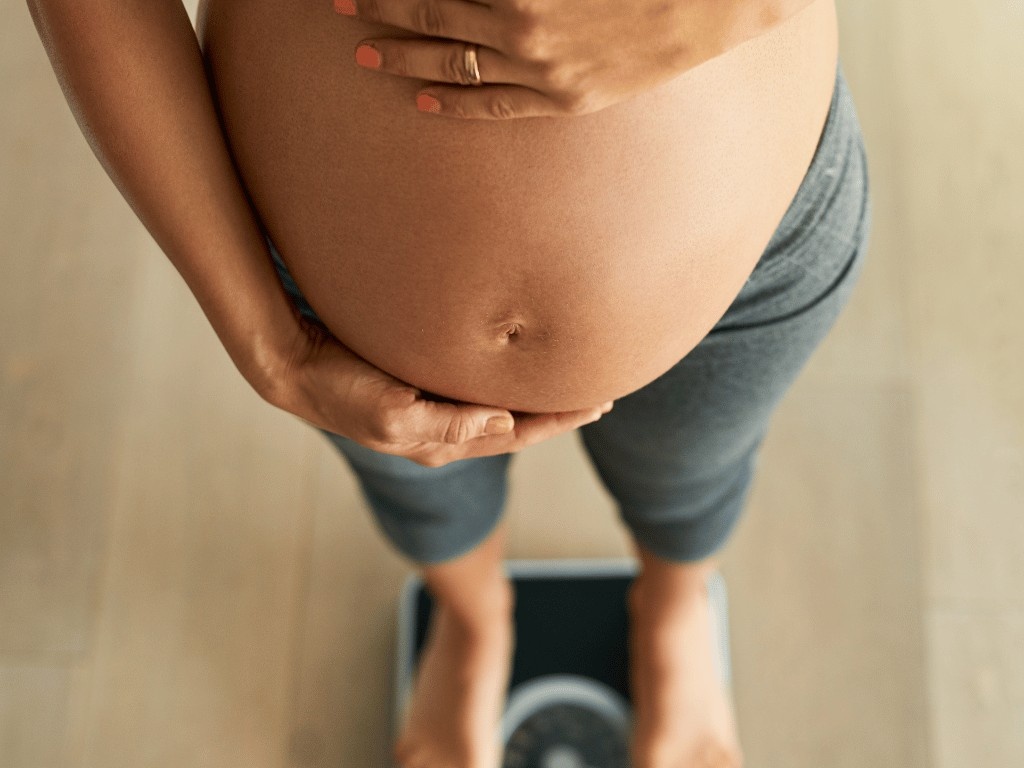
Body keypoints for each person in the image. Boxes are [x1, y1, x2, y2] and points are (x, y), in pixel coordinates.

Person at [27, 0, 870, 765]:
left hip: (757, 224)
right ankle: (471, 620)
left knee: (693, 469)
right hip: (322, 263)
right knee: (418, 492)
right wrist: (272, 346)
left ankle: (674, 607)